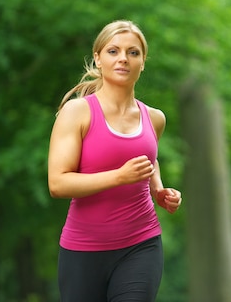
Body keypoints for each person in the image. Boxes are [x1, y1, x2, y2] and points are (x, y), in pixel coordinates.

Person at [47, 19, 182, 302]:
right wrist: (118, 177)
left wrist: (158, 189)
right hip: (83, 250)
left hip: (141, 244)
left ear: (143, 62)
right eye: (113, 51)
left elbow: (149, 159)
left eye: (133, 52)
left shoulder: (154, 118)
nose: (123, 58)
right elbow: (58, 183)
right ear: (98, 58)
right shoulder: (78, 113)